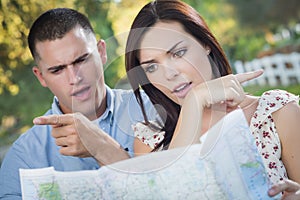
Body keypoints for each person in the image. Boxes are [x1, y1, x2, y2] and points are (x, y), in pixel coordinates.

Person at [123, 0, 300, 198]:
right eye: (151, 67)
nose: (169, 74)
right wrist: (194, 102)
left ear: (205, 43)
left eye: (178, 53)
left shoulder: (275, 113)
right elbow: (172, 190)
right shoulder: (150, 140)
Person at [0, 8, 155, 199]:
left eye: (81, 60)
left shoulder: (154, 110)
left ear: (101, 52)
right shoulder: (24, 158)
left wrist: (101, 147)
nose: (75, 78)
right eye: (57, 70)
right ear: (41, 76)